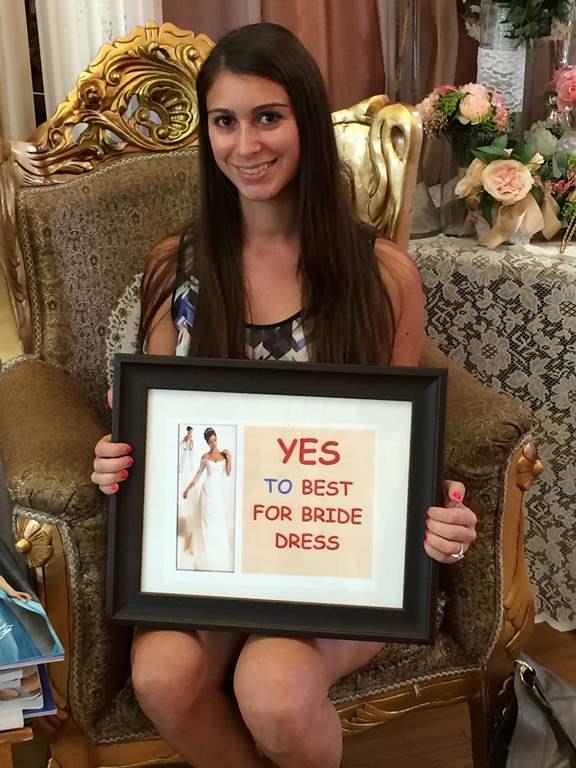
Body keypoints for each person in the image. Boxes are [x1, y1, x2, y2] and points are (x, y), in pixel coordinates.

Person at [91, 22, 477, 768]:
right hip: (213, 555)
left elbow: (401, 449)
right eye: (224, 121)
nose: (245, 145)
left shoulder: (383, 276)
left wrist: (439, 515)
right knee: (161, 676)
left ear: (306, 121)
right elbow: (158, 436)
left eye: (268, 117)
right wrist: (117, 461)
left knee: (272, 689)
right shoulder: (176, 268)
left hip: (333, 560)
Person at [182, 428, 233, 571]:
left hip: (217, 493)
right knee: (206, 522)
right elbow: (198, 475)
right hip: (207, 491)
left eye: (215, 440)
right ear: (207, 443)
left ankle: (218, 553)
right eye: (211, 442)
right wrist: (187, 489)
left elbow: (228, 472)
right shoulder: (205, 456)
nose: (214, 443)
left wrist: (230, 457)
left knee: (217, 521)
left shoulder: (224, 455)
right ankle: (206, 552)